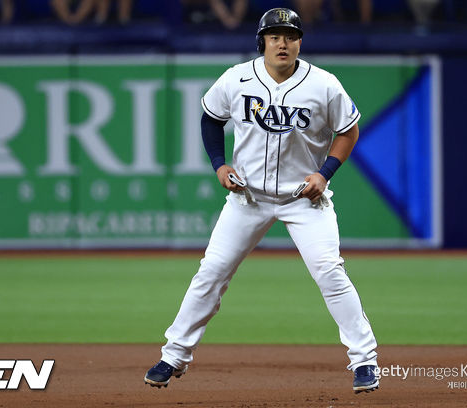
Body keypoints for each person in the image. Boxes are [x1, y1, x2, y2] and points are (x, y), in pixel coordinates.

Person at [144, 7, 379, 394]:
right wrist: (219, 165)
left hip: (303, 198)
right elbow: (210, 118)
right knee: (212, 271)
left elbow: (348, 131)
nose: (282, 43)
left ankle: (365, 361)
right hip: (247, 197)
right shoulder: (236, 78)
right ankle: (173, 355)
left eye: (289, 35)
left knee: (330, 272)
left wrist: (325, 173)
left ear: (300, 41)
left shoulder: (323, 84)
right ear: (263, 42)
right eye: (274, 36)